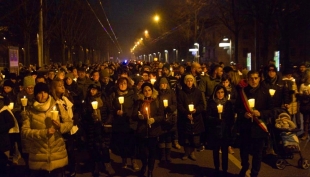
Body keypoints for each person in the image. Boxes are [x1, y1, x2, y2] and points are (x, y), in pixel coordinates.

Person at [21, 82, 73, 177]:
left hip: (57, 155)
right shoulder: (30, 111)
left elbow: (69, 123)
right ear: (36, 95)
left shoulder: (57, 105)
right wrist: (44, 132)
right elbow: (25, 131)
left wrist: (60, 126)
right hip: (38, 156)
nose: (43, 95)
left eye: (45, 92)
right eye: (40, 93)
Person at [235, 70, 272, 177]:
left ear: (259, 79)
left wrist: (261, 113)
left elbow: (271, 110)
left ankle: (255, 172)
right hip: (245, 127)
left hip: (259, 127)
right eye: (251, 78)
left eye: (256, 78)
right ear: (247, 79)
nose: (254, 80)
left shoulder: (265, 92)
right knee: (244, 151)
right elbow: (237, 108)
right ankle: (244, 166)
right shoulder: (242, 92)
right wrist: (244, 113)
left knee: (257, 153)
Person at [82, 82, 115, 176]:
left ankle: (107, 165)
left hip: (103, 127)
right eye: (91, 89)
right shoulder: (87, 100)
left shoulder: (104, 99)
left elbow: (110, 112)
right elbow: (84, 115)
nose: (92, 91)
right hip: (92, 128)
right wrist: (91, 116)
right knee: (94, 148)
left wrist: (107, 122)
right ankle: (95, 166)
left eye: (94, 89)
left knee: (105, 147)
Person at [109, 77, 140, 171]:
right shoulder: (114, 94)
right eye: (121, 83)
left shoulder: (132, 94)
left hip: (130, 122)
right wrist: (116, 111)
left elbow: (136, 107)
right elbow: (110, 107)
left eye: (125, 83)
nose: (122, 85)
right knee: (122, 142)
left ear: (128, 84)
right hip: (119, 123)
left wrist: (128, 113)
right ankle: (124, 160)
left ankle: (133, 160)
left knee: (132, 142)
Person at [50, 78, 78, 177]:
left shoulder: (67, 98)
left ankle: (72, 168)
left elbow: (73, 110)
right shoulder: (52, 101)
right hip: (59, 128)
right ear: (54, 88)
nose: (62, 87)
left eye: (63, 85)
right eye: (59, 85)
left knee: (70, 149)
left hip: (70, 127)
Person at [206, 85, 235, 177]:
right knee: (215, 151)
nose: (220, 94)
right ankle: (216, 168)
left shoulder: (228, 103)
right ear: (215, 93)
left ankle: (225, 169)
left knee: (225, 151)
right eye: (218, 92)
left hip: (225, 131)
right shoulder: (211, 103)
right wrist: (216, 120)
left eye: (222, 92)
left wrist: (227, 122)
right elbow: (207, 117)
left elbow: (231, 117)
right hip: (215, 131)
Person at [136, 82, 164, 177]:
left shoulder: (156, 101)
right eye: (145, 90)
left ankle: (150, 170)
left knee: (152, 151)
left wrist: (154, 119)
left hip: (153, 131)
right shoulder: (140, 102)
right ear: (142, 92)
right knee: (143, 151)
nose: (147, 92)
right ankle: (144, 165)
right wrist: (138, 116)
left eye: (149, 90)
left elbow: (161, 115)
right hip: (142, 131)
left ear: (152, 91)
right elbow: (134, 114)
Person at [177, 74, 205, 161]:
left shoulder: (198, 92)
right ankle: (186, 152)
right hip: (185, 117)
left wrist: (196, 110)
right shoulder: (181, 93)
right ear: (185, 82)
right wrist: (186, 113)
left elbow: (201, 104)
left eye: (191, 81)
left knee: (194, 137)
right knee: (186, 137)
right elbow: (180, 105)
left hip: (196, 118)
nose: (189, 82)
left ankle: (192, 152)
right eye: (188, 81)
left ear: (193, 82)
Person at [158, 77, 177, 163]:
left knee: (168, 137)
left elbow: (174, 103)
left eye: (165, 84)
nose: (164, 85)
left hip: (169, 116)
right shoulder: (157, 93)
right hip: (161, 117)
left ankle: (168, 155)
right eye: (162, 84)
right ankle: (162, 154)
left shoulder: (171, 93)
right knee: (162, 137)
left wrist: (170, 108)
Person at [0, 96, 15, 176]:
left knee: (3, 163)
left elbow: (11, 123)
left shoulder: (5, 112)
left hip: (3, 141)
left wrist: (1, 128)